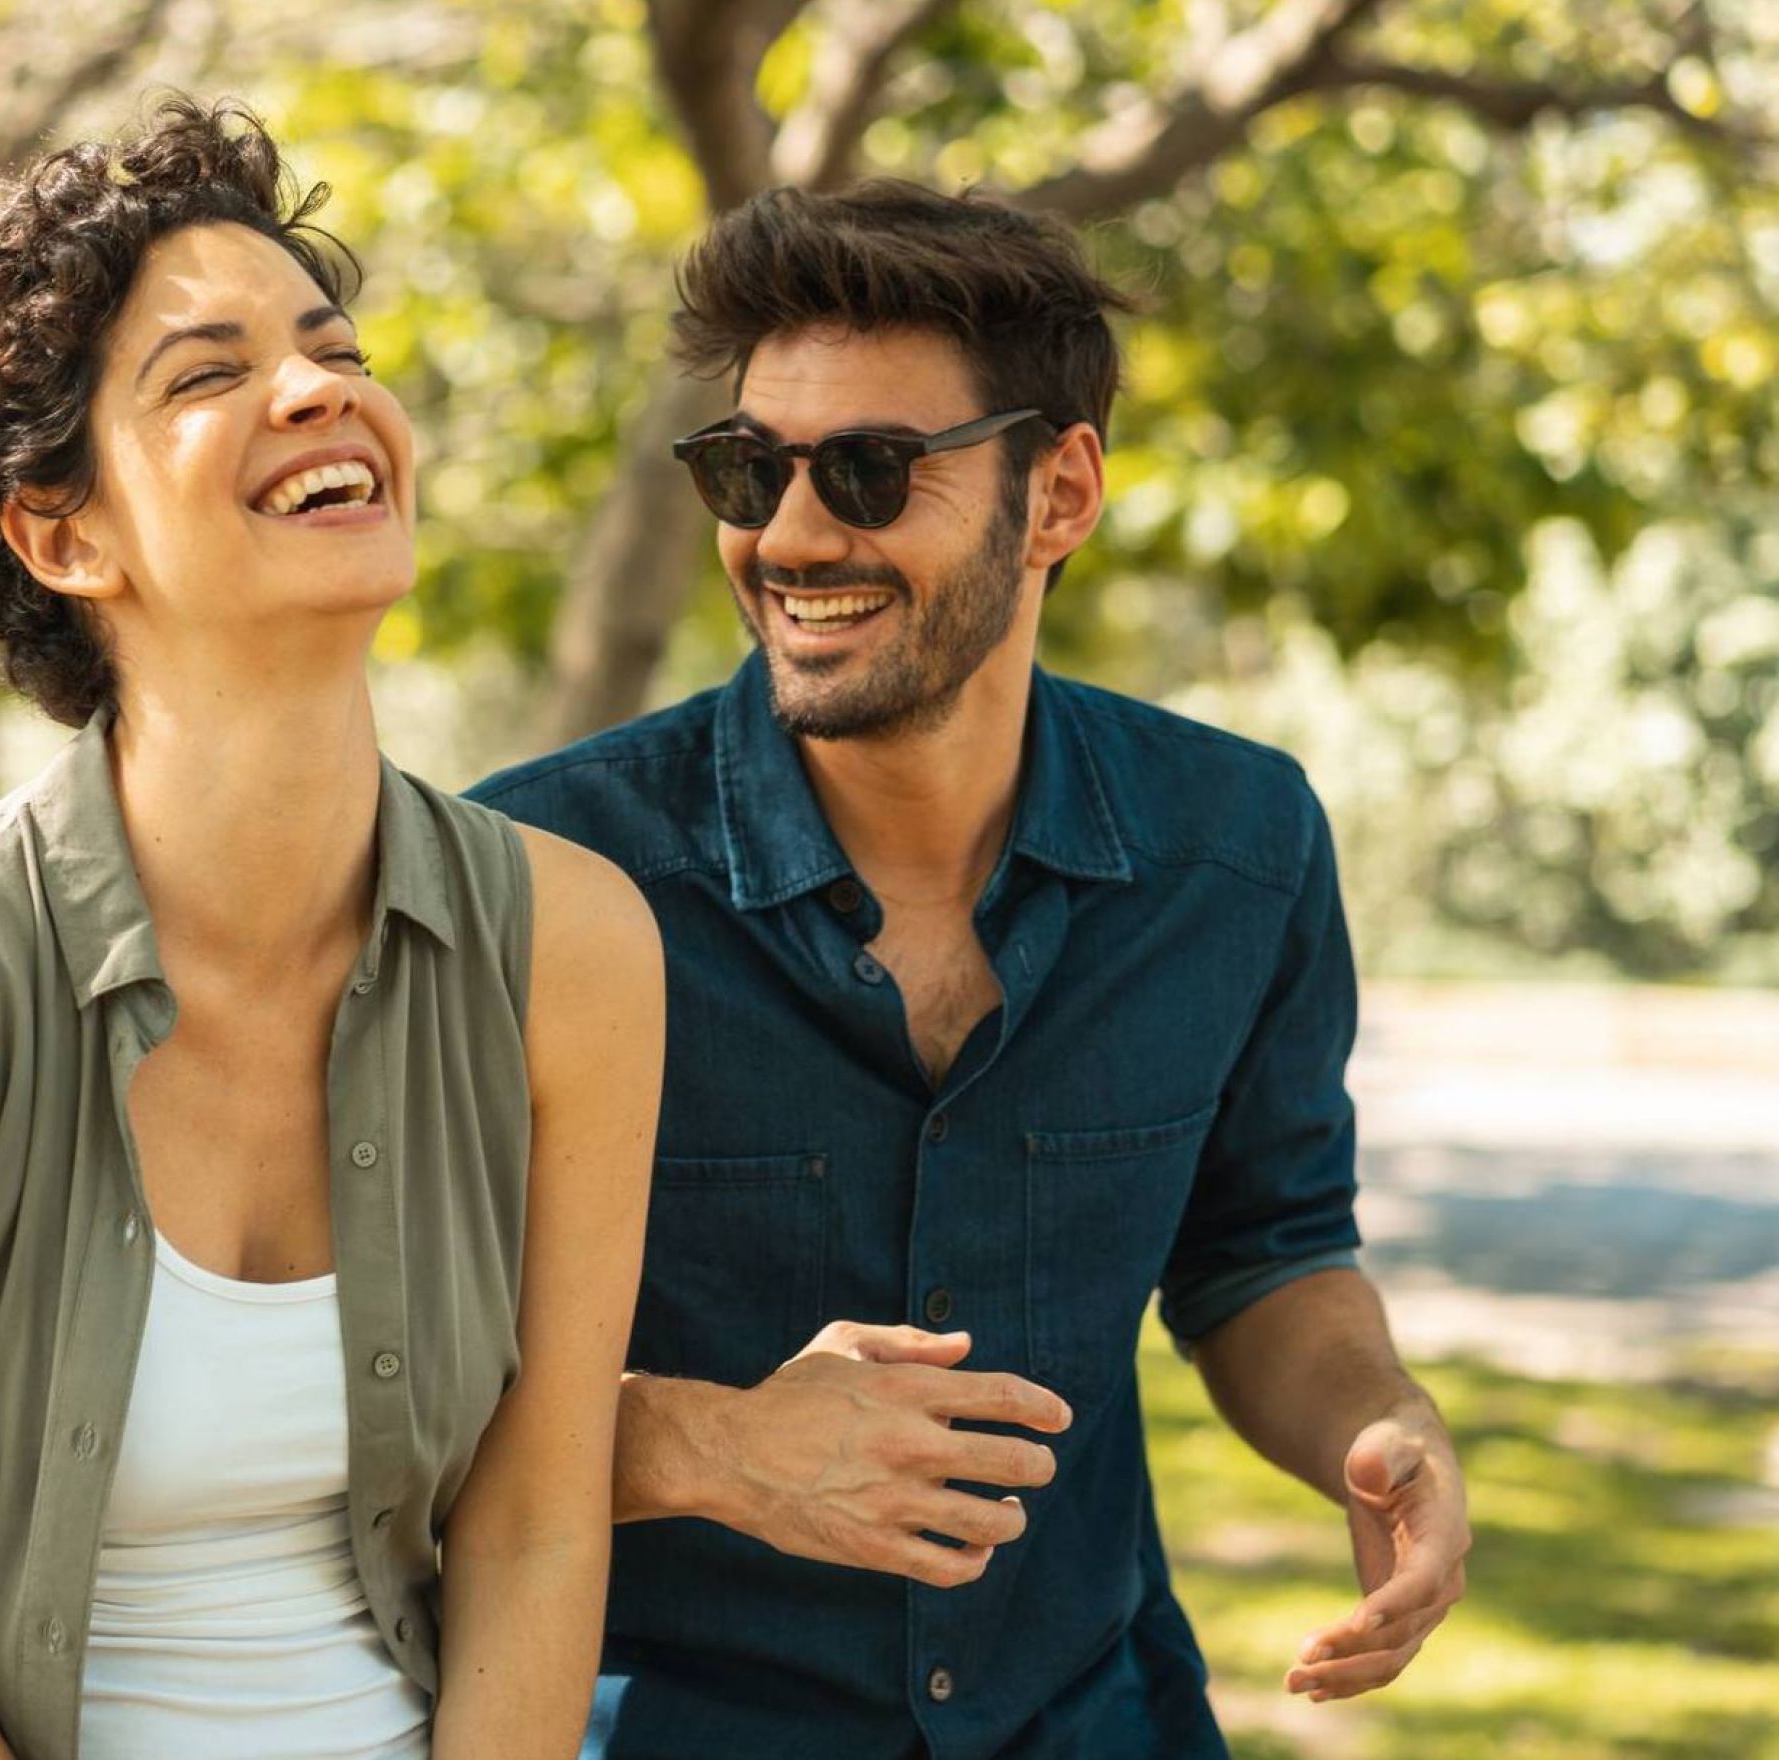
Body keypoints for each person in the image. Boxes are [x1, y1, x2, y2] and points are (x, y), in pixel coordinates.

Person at [0, 97, 661, 1760]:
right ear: (63, 535)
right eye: (206, 375)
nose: (320, 390)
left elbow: (535, 1531)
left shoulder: (571, 948)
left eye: (331, 344)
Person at [470, 181, 1471, 1757]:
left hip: (1100, 1720)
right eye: (751, 468)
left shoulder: (1240, 844)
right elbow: (366, 1395)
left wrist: (1378, 1421)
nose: (792, 535)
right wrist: (707, 1446)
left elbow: (1262, 1254)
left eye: (872, 471)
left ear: (1058, 494)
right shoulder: (534, 880)